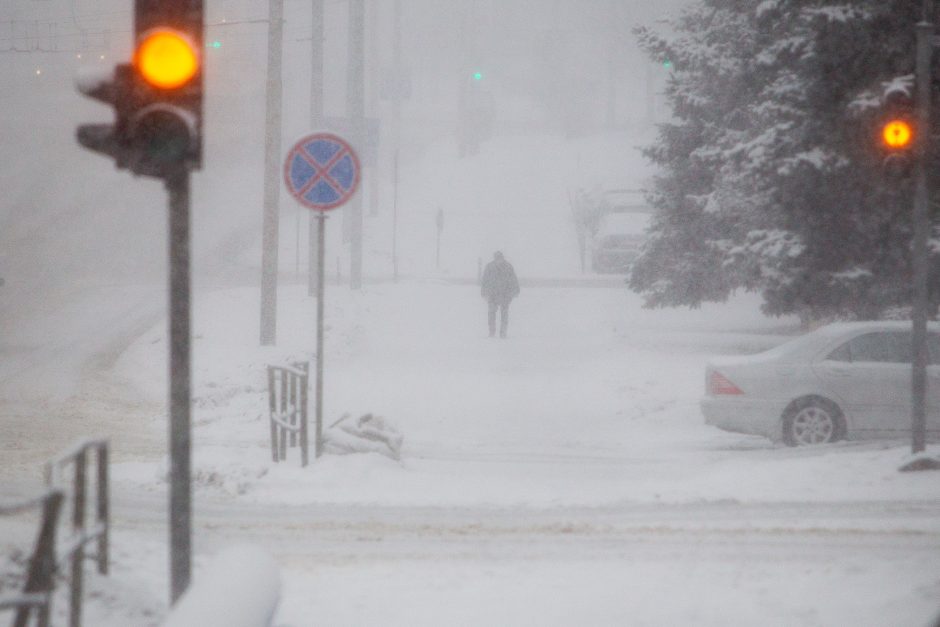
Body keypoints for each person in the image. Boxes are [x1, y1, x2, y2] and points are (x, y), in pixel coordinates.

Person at [480, 251, 520, 338]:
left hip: (505, 295)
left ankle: (503, 333)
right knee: (491, 313)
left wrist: (515, 291)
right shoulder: (489, 267)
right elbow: (484, 281)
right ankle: (492, 332)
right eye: (497, 258)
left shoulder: (508, 267)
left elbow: (513, 279)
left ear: (502, 258)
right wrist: (483, 292)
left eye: (500, 258)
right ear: (494, 258)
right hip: (492, 295)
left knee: (504, 314)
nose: (499, 260)